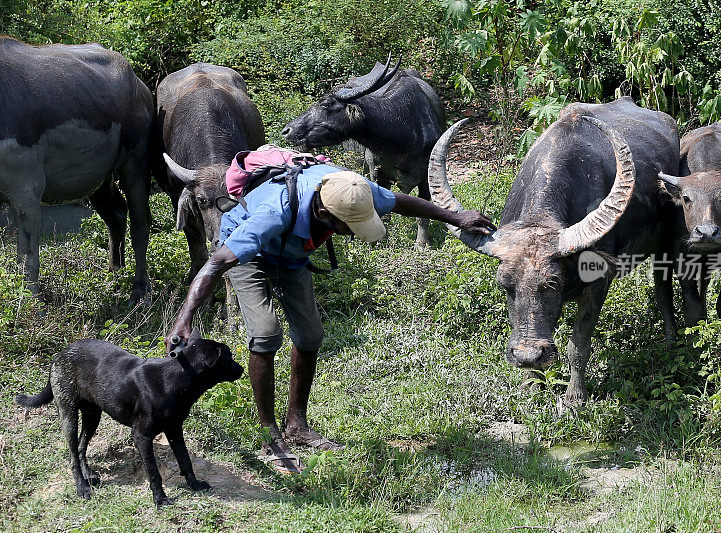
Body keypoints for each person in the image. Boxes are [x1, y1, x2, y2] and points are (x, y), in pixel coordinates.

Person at [166, 163, 494, 474]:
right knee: (266, 333)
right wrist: (185, 317)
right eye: (348, 227)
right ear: (323, 213)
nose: (352, 233)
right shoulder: (272, 215)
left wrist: (454, 216)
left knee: (310, 336)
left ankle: (296, 425)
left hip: (291, 257)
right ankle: (271, 434)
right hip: (248, 255)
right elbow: (217, 262)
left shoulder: (352, 190)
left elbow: (399, 202)